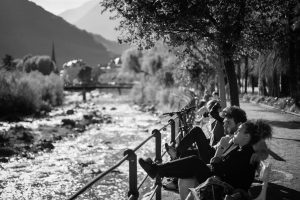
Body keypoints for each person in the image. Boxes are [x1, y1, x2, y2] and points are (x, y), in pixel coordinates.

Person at [139, 120, 272, 199]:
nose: (235, 133)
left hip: (227, 187)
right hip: (224, 180)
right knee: (193, 163)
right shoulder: (242, 149)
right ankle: (158, 170)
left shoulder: (245, 152)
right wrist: (216, 163)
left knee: (194, 162)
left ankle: (157, 170)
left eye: (238, 131)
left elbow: (226, 170)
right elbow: (229, 167)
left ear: (247, 137)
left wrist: (214, 164)